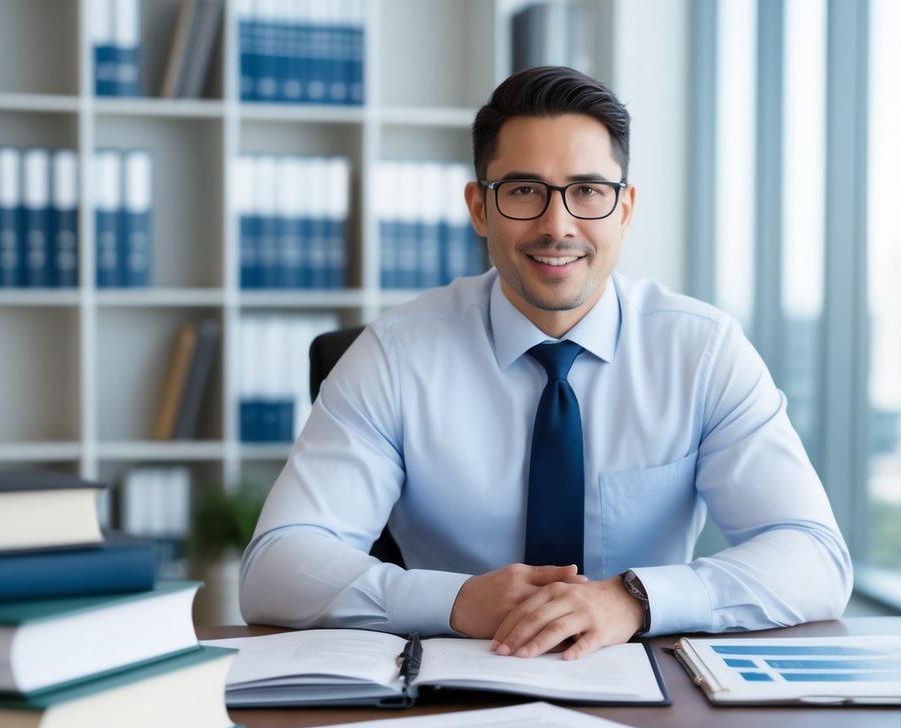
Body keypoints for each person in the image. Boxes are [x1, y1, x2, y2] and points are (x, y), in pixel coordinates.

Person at [239, 66, 852, 660]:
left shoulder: (702, 351)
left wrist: (635, 600)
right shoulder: (395, 354)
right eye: (524, 191)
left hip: (649, 686)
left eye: (588, 191)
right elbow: (275, 568)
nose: (557, 226)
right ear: (480, 208)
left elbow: (814, 557)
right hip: (454, 686)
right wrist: (456, 601)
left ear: (625, 209)